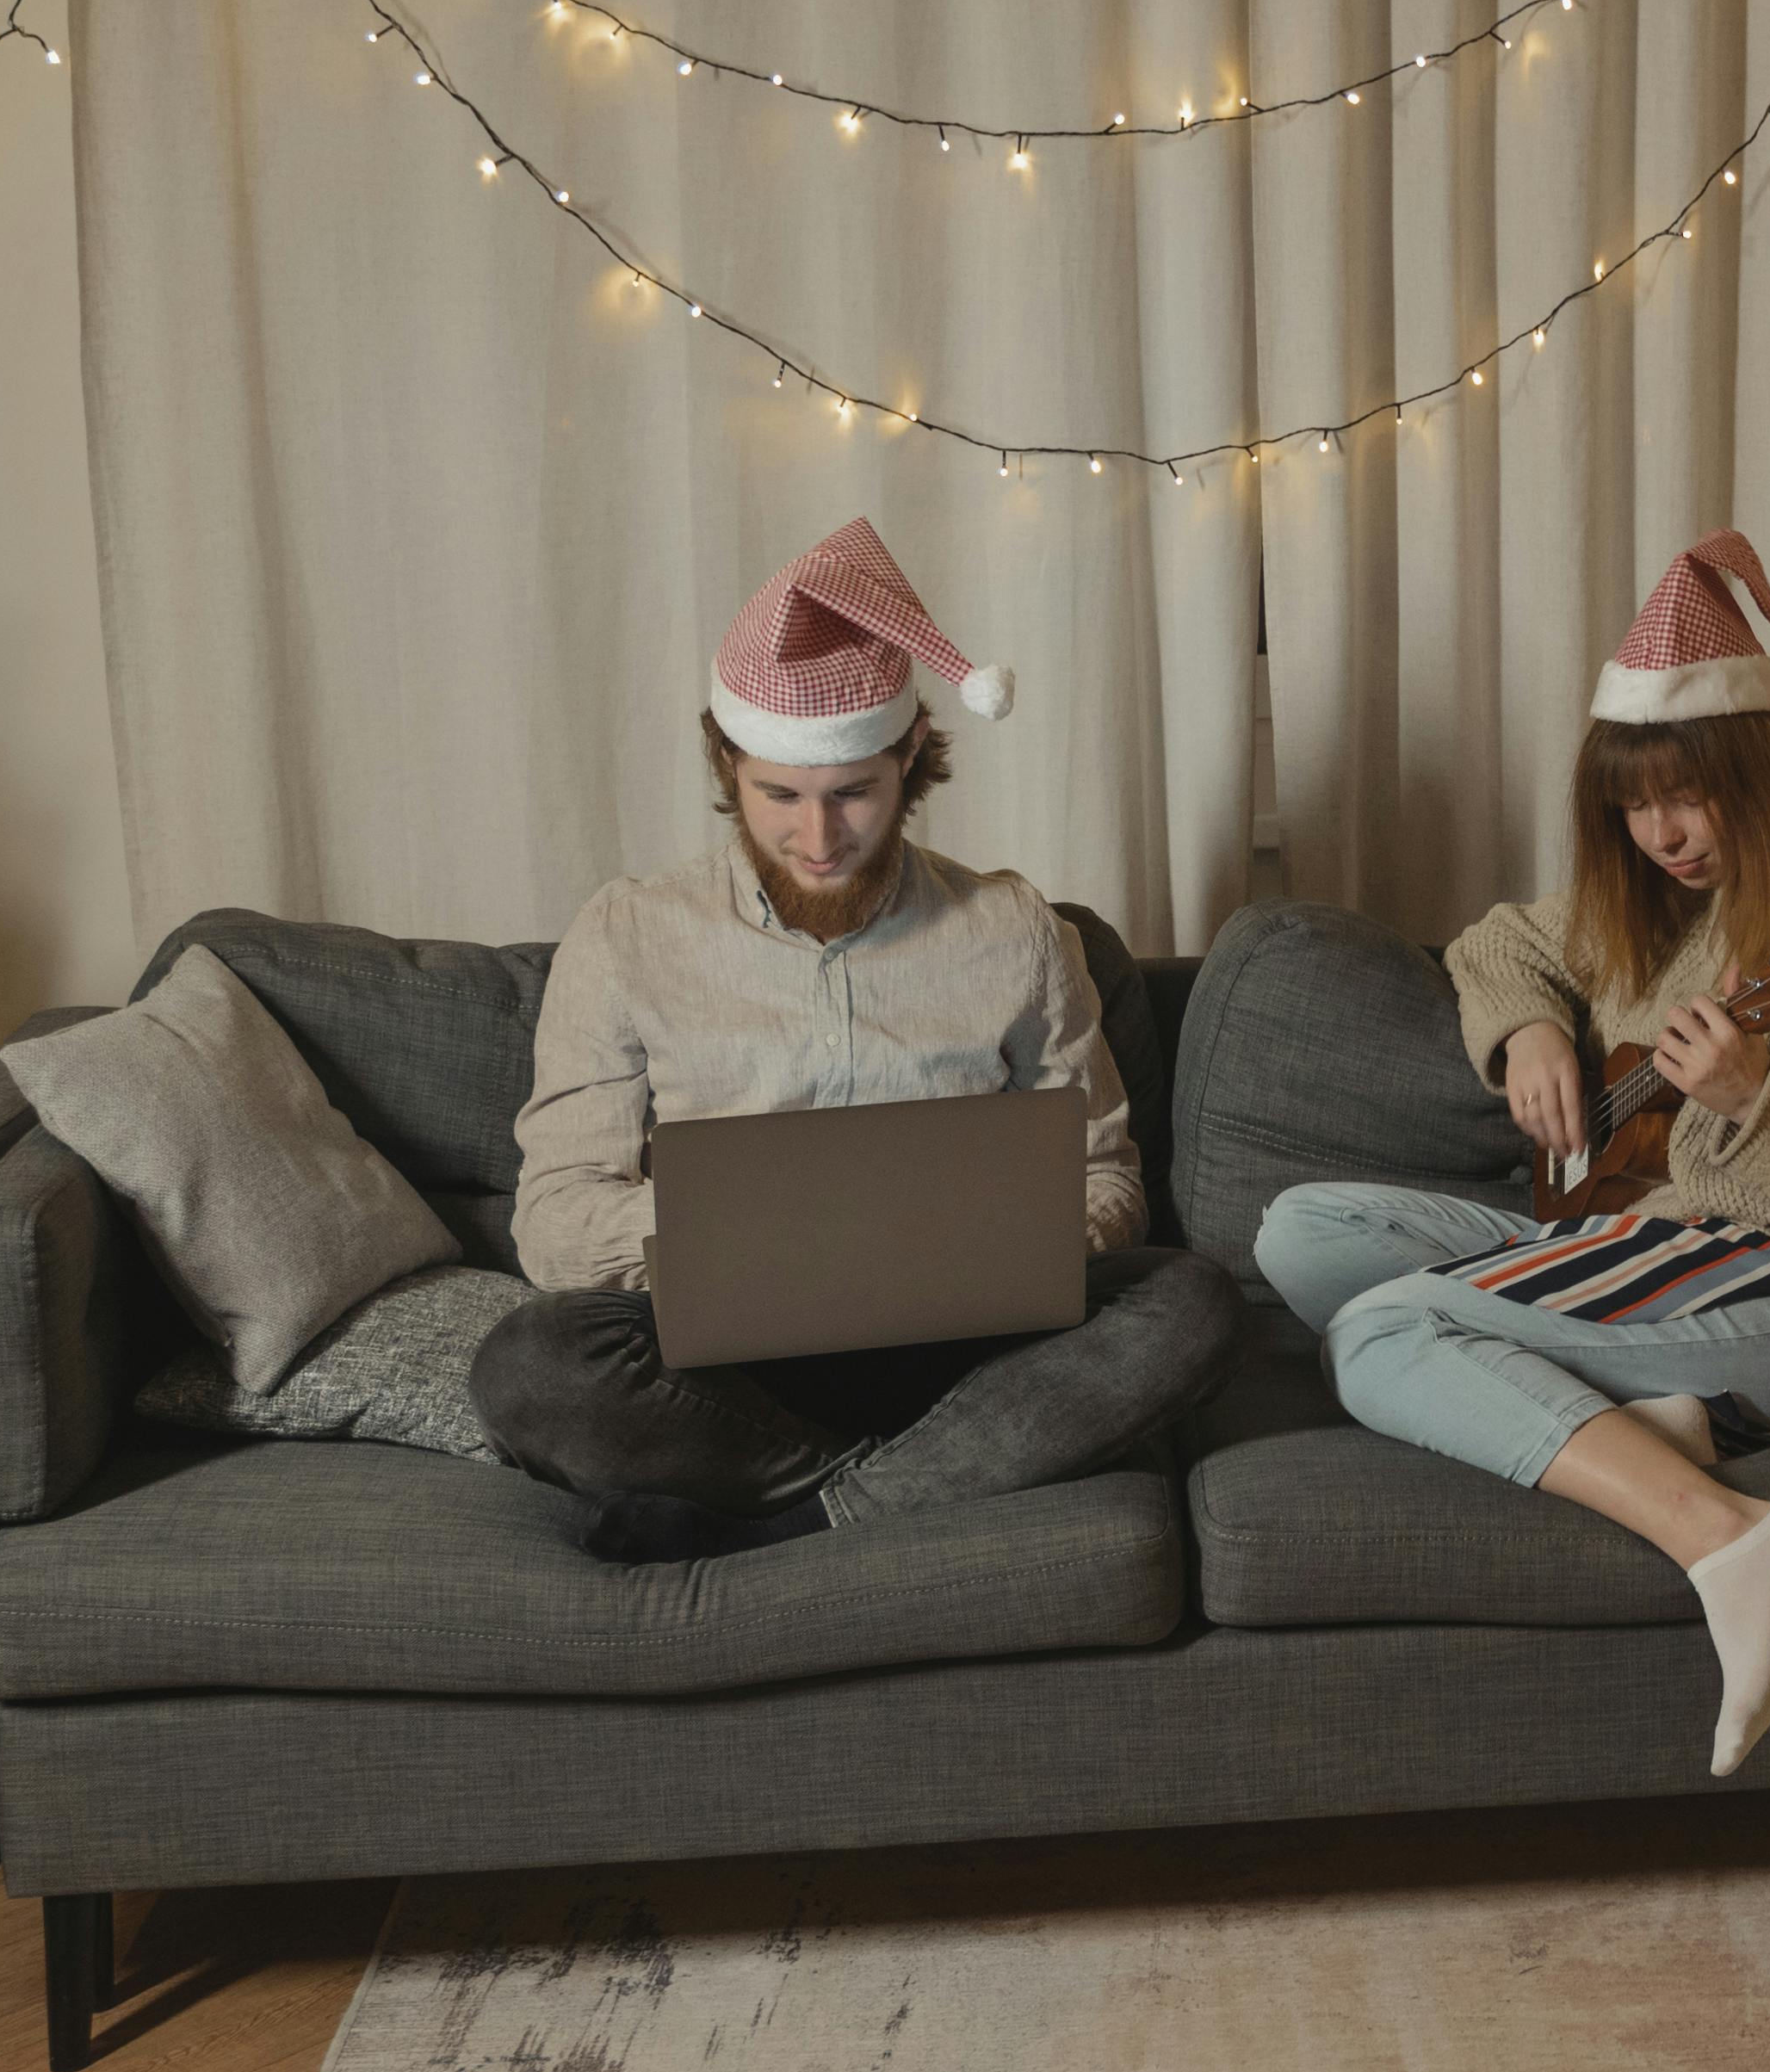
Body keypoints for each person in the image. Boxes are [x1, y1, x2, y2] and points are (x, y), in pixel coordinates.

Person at [1253, 533, 1770, 1776]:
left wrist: (1763, 1099)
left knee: (1380, 1333)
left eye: (1685, 796)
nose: (1658, 833)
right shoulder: (1661, 898)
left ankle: (1725, 1532)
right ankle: (1638, 1413)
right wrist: (1531, 1033)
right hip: (1650, 1233)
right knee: (1299, 1229)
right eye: (1632, 803)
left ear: (1760, 764)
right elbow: (1498, 942)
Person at [476, 518, 1239, 1562]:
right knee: (528, 1365)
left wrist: (1011, 1234)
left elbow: (1106, 1175)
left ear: (911, 755)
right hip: (728, 1362)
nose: (818, 838)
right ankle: (942, 1476)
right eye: (777, 796)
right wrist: (730, 1227)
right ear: (726, 760)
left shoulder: (1015, 931)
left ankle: (802, 1520)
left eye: (853, 795)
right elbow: (554, 1222)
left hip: (972, 1347)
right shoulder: (626, 935)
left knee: (1188, 1300)